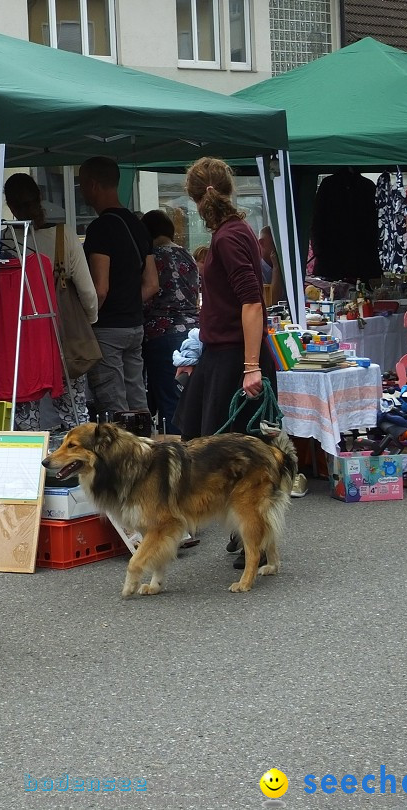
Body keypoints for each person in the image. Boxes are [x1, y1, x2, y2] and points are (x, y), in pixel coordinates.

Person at [174, 157, 282, 567]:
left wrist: (251, 367)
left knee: (238, 451)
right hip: (221, 355)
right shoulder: (230, 233)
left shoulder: (229, 237)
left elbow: (253, 302)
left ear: (195, 198)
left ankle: (255, 536)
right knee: (207, 443)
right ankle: (245, 531)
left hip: (237, 357)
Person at [2, 172, 98, 430]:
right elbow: (88, 291)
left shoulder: (6, 241)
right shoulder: (63, 235)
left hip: (24, 340)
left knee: (25, 416)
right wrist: (87, 320)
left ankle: (30, 464)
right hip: (63, 335)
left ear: (9, 204)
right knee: (75, 413)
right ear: (40, 197)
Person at [77, 157, 159, 422]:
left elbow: (100, 289)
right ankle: (146, 454)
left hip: (108, 329)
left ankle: (123, 461)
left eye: (80, 184)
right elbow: (152, 284)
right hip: (135, 326)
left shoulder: (101, 228)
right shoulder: (138, 225)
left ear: (92, 185)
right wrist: (128, 305)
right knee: (137, 401)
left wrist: (85, 321)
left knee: (115, 408)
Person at [140, 209, 200, 435]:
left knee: (170, 402)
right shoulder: (187, 255)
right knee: (187, 398)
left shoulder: (152, 257)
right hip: (193, 332)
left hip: (162, 332)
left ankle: (178, 454)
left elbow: (148, 296)